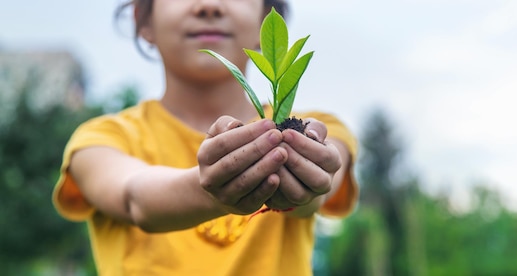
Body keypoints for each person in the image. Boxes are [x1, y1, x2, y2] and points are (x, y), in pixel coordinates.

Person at [52, 0, 359, 275]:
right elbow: (136, 200)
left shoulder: (323, 128)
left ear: (265, 21)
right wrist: (210, 188)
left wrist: (304, 178)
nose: (209, 5)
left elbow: (320, 191)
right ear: (143, 21)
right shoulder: (101, 139)